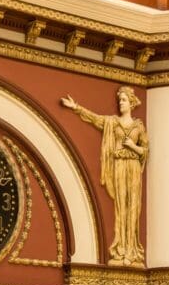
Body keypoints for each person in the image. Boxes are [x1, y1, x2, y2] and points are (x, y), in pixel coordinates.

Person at [60, 87, 148, 266]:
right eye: (119, 100)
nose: (120, 103)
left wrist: (131, 146)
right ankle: (121, 248)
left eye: (123, 100)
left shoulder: (139, 126)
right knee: (121, 207)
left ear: (131, 103)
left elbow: (145, 151)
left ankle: (132, 250)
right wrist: (76, 107)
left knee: (133, 207)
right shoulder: (112, 123)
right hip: (119, 166)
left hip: (133, 167)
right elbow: (95, 119)